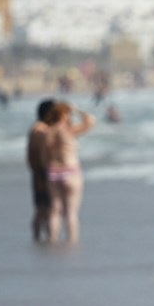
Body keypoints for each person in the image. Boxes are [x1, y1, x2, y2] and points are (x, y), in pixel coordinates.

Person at [45, 100, 95, 243]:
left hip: (53, 171)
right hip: (71, 171)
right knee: (71, 212)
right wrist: (77, 109)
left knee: (55, 210)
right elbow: (91, 120)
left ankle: (52, 240)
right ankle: (71, 242)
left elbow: (45, 155)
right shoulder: (68, 130)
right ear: (64, 114)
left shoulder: (48, 131)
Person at [26, 100, 57, 243]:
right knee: (47, 210)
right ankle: (48, 240)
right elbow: (37, 155)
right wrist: (42, 175)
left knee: (43, 210)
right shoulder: (40, 130)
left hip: (39, 173)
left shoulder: (38, 128)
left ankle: (40, 239)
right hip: (42, 173)